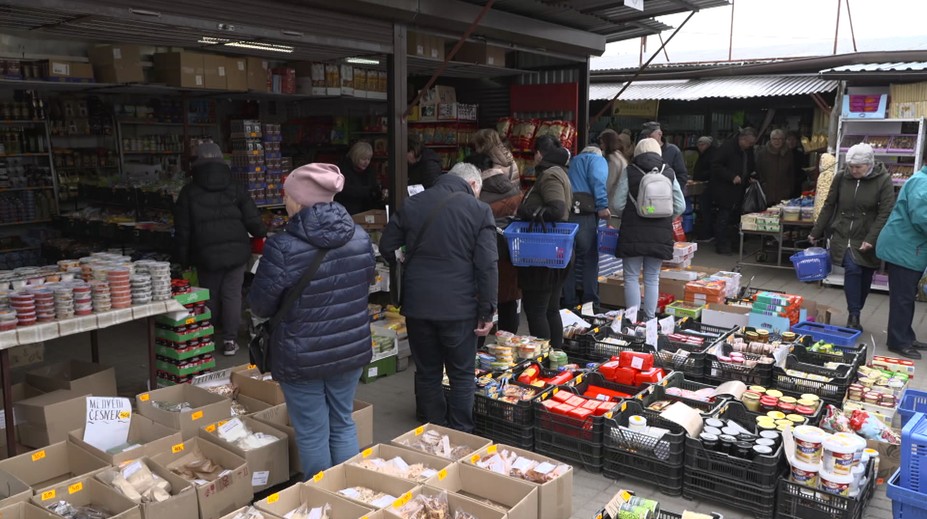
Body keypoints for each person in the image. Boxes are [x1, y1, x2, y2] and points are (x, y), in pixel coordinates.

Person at [248, 163, 376, 478]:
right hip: (349, 347)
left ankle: (322, 497)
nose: (284, 201)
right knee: (343, 420)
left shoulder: (283, 246)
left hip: (300, 353)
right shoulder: (359, 237)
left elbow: (261, 304)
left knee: (311, 429)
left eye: (287, 196)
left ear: (300, 200)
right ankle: (349, 495)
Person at [380, 163, 497, 432]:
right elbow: (487, 266)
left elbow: (387, 245)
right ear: (474, 185)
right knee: (461, 374)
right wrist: (487, 311)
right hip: (459, 308)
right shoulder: (479, 211)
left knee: (427, 371)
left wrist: (403, 259)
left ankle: (433, 431)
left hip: (418, 304)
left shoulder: (413, 203)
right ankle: (459, 434)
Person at [174, 142, 267, 356]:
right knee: (233, 295)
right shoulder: (235, 186)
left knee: (209, 295)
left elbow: (183, 230)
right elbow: (254, 220)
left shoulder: (189, 191)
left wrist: (183, 258)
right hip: (236, 252)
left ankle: (207, 337)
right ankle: (229, 341)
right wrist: (262, 231)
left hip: (205, 253)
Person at [809, 143, 895, 334]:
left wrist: (872, 238)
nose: (854, 170)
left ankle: (856, 308)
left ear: (869, 164)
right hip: (843, 234)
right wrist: (816, 231)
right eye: (851, 167)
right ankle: (853, 315)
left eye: (858, 167)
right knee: (853, 269)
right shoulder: (841, 177)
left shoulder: (883, 180)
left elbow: (885, 212)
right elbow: (829, 205)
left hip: (867, 235)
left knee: (866, 277)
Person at [611, 138, 686, 320]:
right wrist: (662, 215)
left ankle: (632, 320)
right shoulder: (668, 172)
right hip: (660, 233)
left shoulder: (630, 171)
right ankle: (650, 319)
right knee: (652, 278)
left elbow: (617, 204)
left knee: (631, 277)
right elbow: (680, 205)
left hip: (632, 232)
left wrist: (633, 213)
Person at [517, 135, 572, 350]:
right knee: (550, 308)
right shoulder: (558, 172)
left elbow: (557, 209)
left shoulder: (549, 175)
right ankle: (556, 358)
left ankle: (545, 359)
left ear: (539, 153)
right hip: (554, 251)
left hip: (544, 252)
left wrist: (526, 212)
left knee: (537, 310)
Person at [465, 153, 523, 337]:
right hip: (511, 251)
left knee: (481, 299)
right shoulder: (514, 188)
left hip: (484, 252)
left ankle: (478, 348)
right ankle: (508, 345)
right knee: (509, 299)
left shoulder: (476, 193)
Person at [876, 164, 927, 359]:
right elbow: (922, 218)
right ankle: (898, 341)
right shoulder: (922, 183)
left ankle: (906, 335)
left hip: (910, 247)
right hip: (904, 248)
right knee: (903, 297)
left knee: (907, 295)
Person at [562, 146, 609, 307]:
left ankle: (570, 301)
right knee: (589, 258)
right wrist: (602, 205)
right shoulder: (597, 160)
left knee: (569, 258)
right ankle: (590, 303)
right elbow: (598, 180)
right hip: (586, 214)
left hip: (569, 213)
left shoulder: (574, 161)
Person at [710, 128, 757, 255]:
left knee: (737, 219)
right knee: (724, 217)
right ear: (743, 139)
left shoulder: (747, 150)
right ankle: (722, 245)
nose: (750, 146)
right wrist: (731, 176)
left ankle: (735, 244)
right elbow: (716, 165)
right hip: (726, 189)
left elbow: (749, 165)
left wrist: (750, 175)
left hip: (740, 187)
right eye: (749, 143)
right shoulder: (727, 147)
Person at [639, 121, 688, 189]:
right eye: (645, 135)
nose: (647, 138)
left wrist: (672, 192)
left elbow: (682, 175)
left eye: (649, 135)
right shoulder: (641, 151)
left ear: (660, 134)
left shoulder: (673, 151)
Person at [336, 141, 381, 215]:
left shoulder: (370, 171)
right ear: (355, 157)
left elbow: (374, 191)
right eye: (363, 159)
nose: (366, 162)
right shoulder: (342, 171)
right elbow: (346, 191)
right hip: (347, 213)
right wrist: (369, 191)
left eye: (369, 159)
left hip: (367, 213)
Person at [755, 129, 795, 207]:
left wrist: (790, 189)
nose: (777, 141)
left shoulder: (788, 153)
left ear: (783, 140)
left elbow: (791, 173)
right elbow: (757, 170)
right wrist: (763, 184)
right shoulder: (762, 153)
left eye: (780, 139)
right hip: (766, 192)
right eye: (774, 139)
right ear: (770, 139)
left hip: (784, 193)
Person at [599, 129, 629, 217]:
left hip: (611, 204)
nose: (601, 145)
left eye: (602, 143)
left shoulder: (612, 161)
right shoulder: (621, 157)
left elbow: (608, 184)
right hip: (619, 201)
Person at [693, 136, 715, 242]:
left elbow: (711, 170)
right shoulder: (705, 154)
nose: (700, 147)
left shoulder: (710, 155)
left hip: (708, 186)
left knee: (705, 210)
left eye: (702, 144)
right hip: (706, 185)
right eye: (698, 144)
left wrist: (699, 176)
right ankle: (706, 232)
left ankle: (706, 233)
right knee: (705, 210)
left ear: (707, 144)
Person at [787, 131, 808, 197]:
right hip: (784, 185)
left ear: (797, 141)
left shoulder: (800, 154)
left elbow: (804, 168)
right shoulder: (782, 154)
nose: (791, 142)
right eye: (789, 139)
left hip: (797, 185)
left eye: (793, 139)